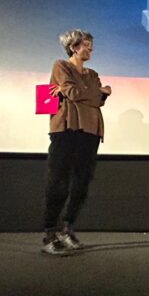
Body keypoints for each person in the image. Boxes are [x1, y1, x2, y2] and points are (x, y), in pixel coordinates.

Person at [41, 29, 111, 255]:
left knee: (81, 183)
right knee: (59, 181)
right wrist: (98, 92)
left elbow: (99, 100)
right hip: (66, 128)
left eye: (91, 46)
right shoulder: (61, 66)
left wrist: (97, 92)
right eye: (86, 45)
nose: (90, 49)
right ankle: (50, 234)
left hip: (90, 130)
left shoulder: (92, 74)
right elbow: (73, 93)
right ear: (74, 47)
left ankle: (67, 228)